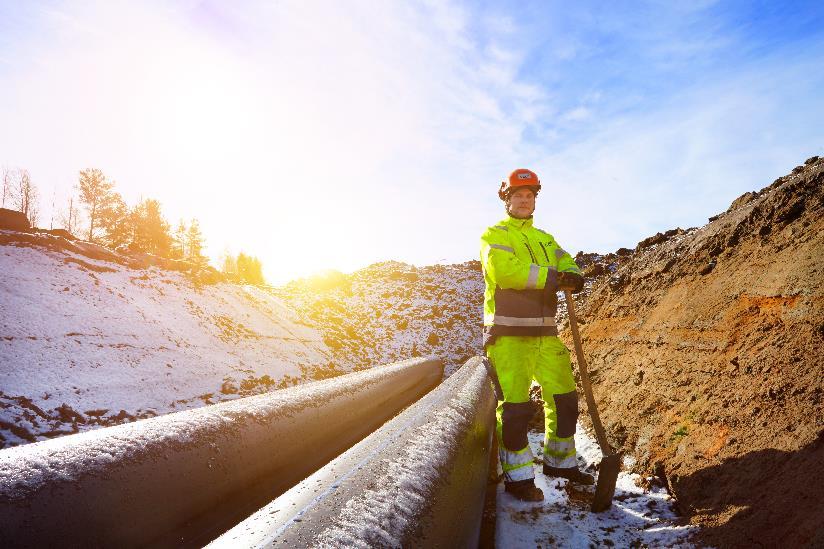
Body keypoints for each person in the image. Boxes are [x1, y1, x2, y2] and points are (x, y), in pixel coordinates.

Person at [480, 168, 594, 502]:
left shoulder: (545, 238)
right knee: (515, 408)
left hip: (545, 332)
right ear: (507, 199)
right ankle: (518, 479)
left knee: (564, 400)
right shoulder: (495, 234)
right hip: (510, 334)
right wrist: (554, 277)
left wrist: (572, 274)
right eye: (518, 195)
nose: (524, 200)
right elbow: (505, 271)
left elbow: (566, 262)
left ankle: (560, 463)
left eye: (530, 195)